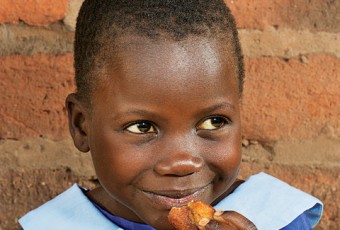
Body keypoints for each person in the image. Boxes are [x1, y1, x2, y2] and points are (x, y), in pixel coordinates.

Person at [19, 0, 323, 229]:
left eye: (213, 122)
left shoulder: (276, 216)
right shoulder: (53, 225)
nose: (182, 162)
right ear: (81, 126)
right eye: (141, 127)